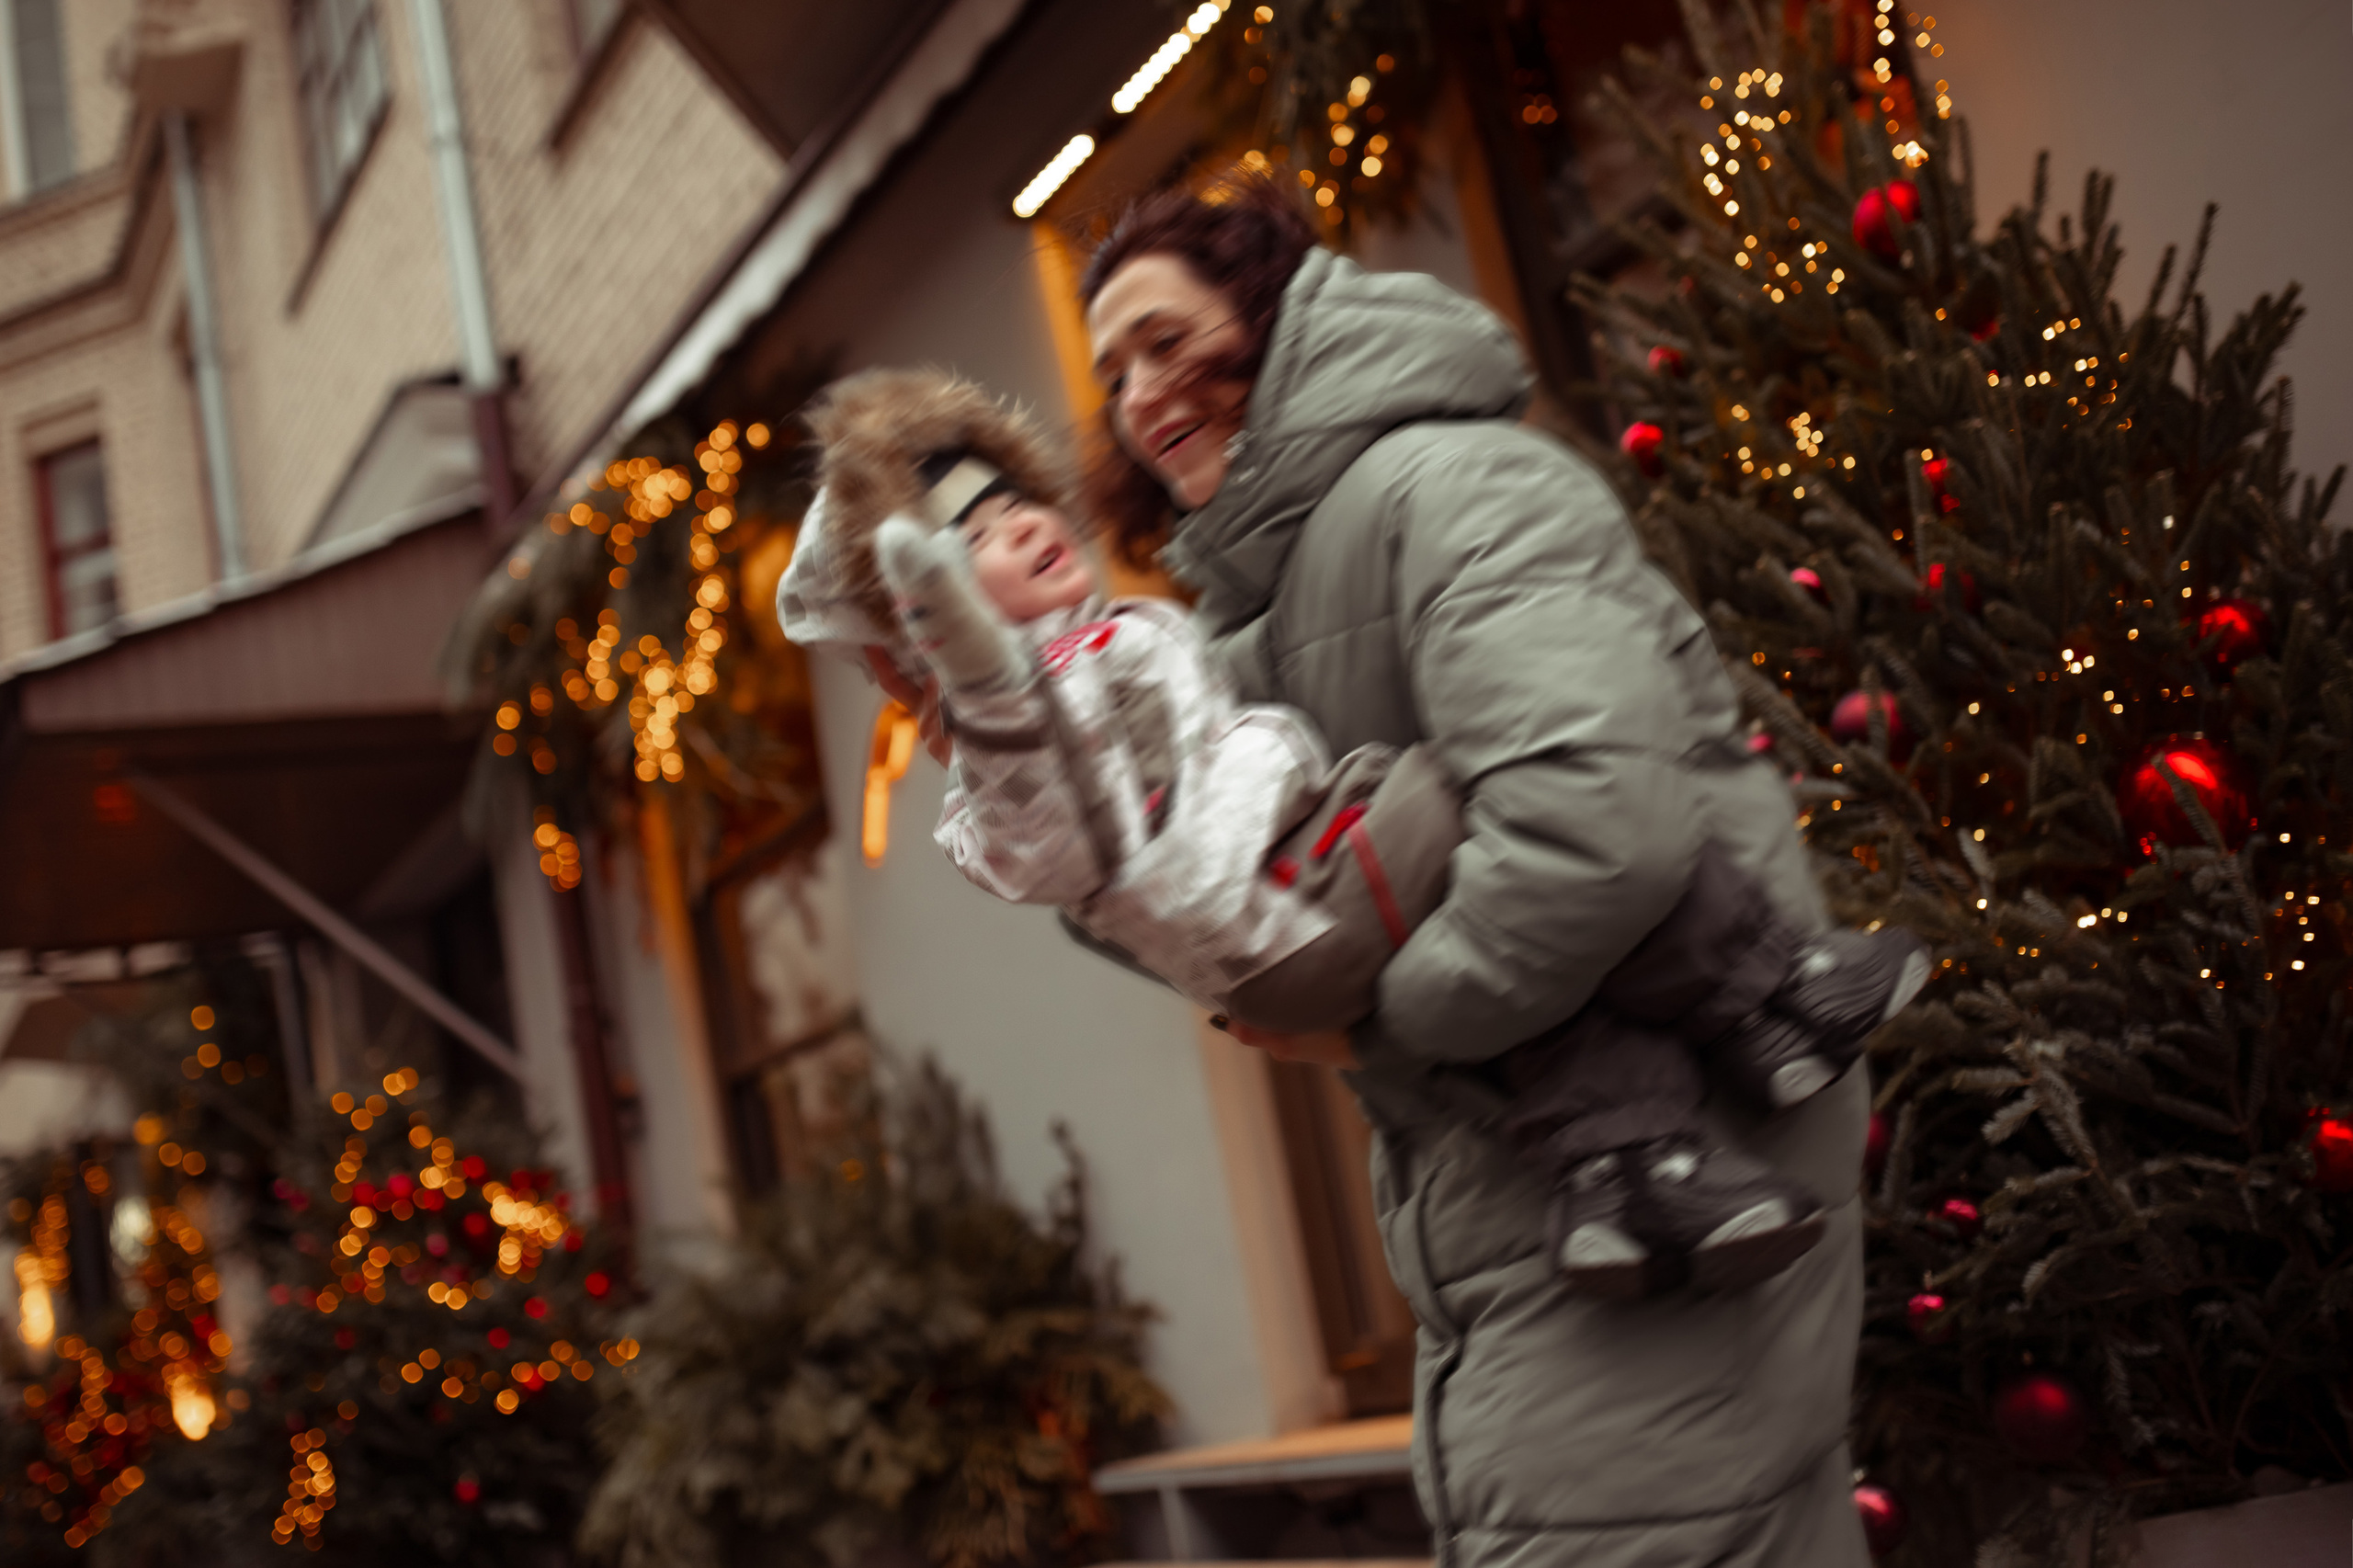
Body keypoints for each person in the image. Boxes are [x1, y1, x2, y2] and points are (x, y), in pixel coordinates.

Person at [1072, 173, 1881, 1566]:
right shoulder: (1265, 602)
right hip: (1552, 1193)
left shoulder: (1451, 486)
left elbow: (1590, 830)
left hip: (1668, 1161)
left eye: (1163, 338)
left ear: (1270, 312)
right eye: (1111, 373)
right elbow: (1217, 892)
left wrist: (1384, 1024)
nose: (1139, 394)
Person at [778, 366, 1922, 1301]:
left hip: (1302, 891)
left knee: (1516, 925)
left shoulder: (1102, 641)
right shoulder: (1021, 717)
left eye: (1015, 500)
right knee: (1529, 786)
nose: (1022, 525)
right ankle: (1765, 993)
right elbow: (1046, 811)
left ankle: (1625, 1168)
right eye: (972, 536)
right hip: (1295, 892)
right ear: (924, 630)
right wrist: (976, 674)